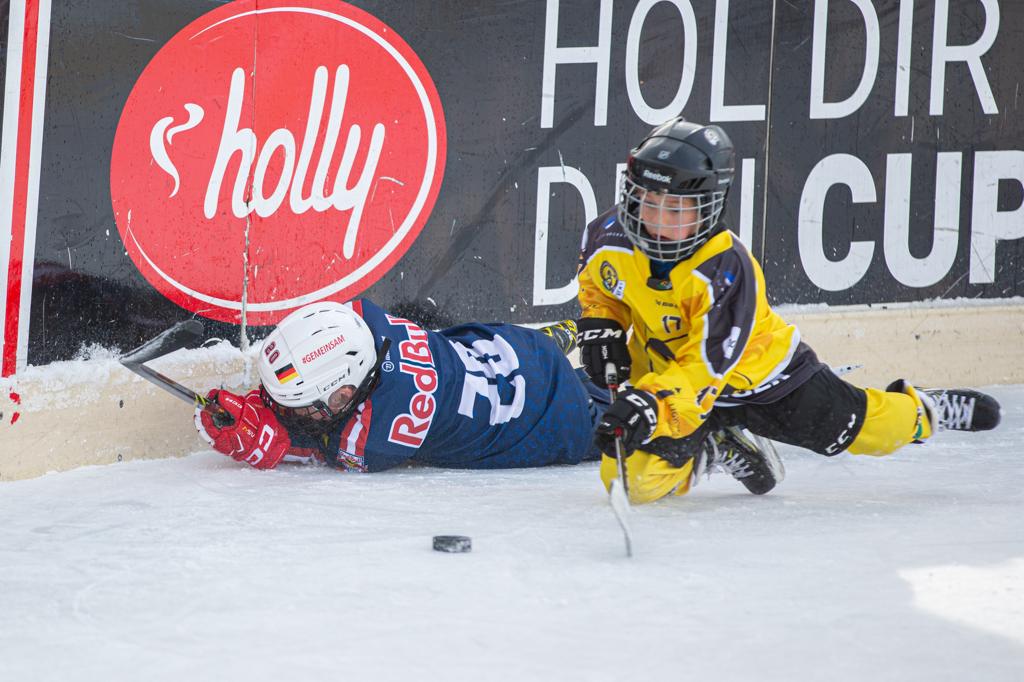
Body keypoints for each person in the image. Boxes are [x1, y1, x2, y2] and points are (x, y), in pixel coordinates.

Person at [574, 117, 1002, 504]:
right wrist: (602, 323)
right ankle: (715, 444)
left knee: (864, 429)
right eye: (648, 202)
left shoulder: (726, 269)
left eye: (676, 209)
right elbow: (603, 286)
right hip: (677, 391)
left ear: (707, 207)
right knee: (624, 479)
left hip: (764, 380)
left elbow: (704, 369)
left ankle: (924, 412)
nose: (657, 221)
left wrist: (649, 404)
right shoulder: (608, 236)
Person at [194, 298, 607, 472]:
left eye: (296, 404)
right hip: (513, 350)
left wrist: (271, 442)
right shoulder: (358, 318)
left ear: (343, 394)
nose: (282, 409)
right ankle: (551, 342)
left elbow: (309, 445)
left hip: (553, 418)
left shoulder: (378, 435)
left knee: (630, 426)